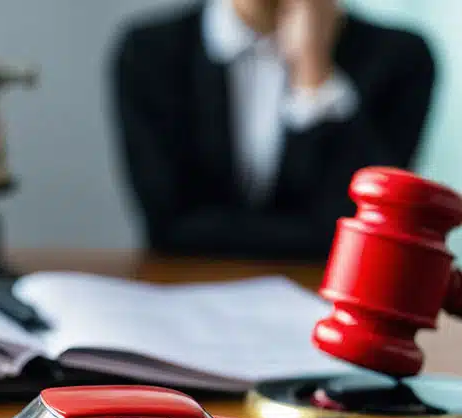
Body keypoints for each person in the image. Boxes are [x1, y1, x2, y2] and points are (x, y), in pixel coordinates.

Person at [108, 0, 436, 260]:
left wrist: (315, 77)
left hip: (323, 300)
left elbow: (366, 229)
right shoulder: (148, 52)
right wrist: (312, 235)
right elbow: (170, 227)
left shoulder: (401, 59)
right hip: (182, 290)